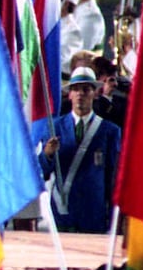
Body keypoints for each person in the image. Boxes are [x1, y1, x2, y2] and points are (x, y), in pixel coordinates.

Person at [34, 67, 122, 233]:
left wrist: (114, 218)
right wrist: (47, 154)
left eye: (86, 89)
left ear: (95, 93)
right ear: (70, 94)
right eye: (76, 89)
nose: (80, 94)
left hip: (93, 215)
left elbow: (113, 177)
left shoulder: (109, 131)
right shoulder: (54, 127)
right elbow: (41, 171)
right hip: (62, 212)